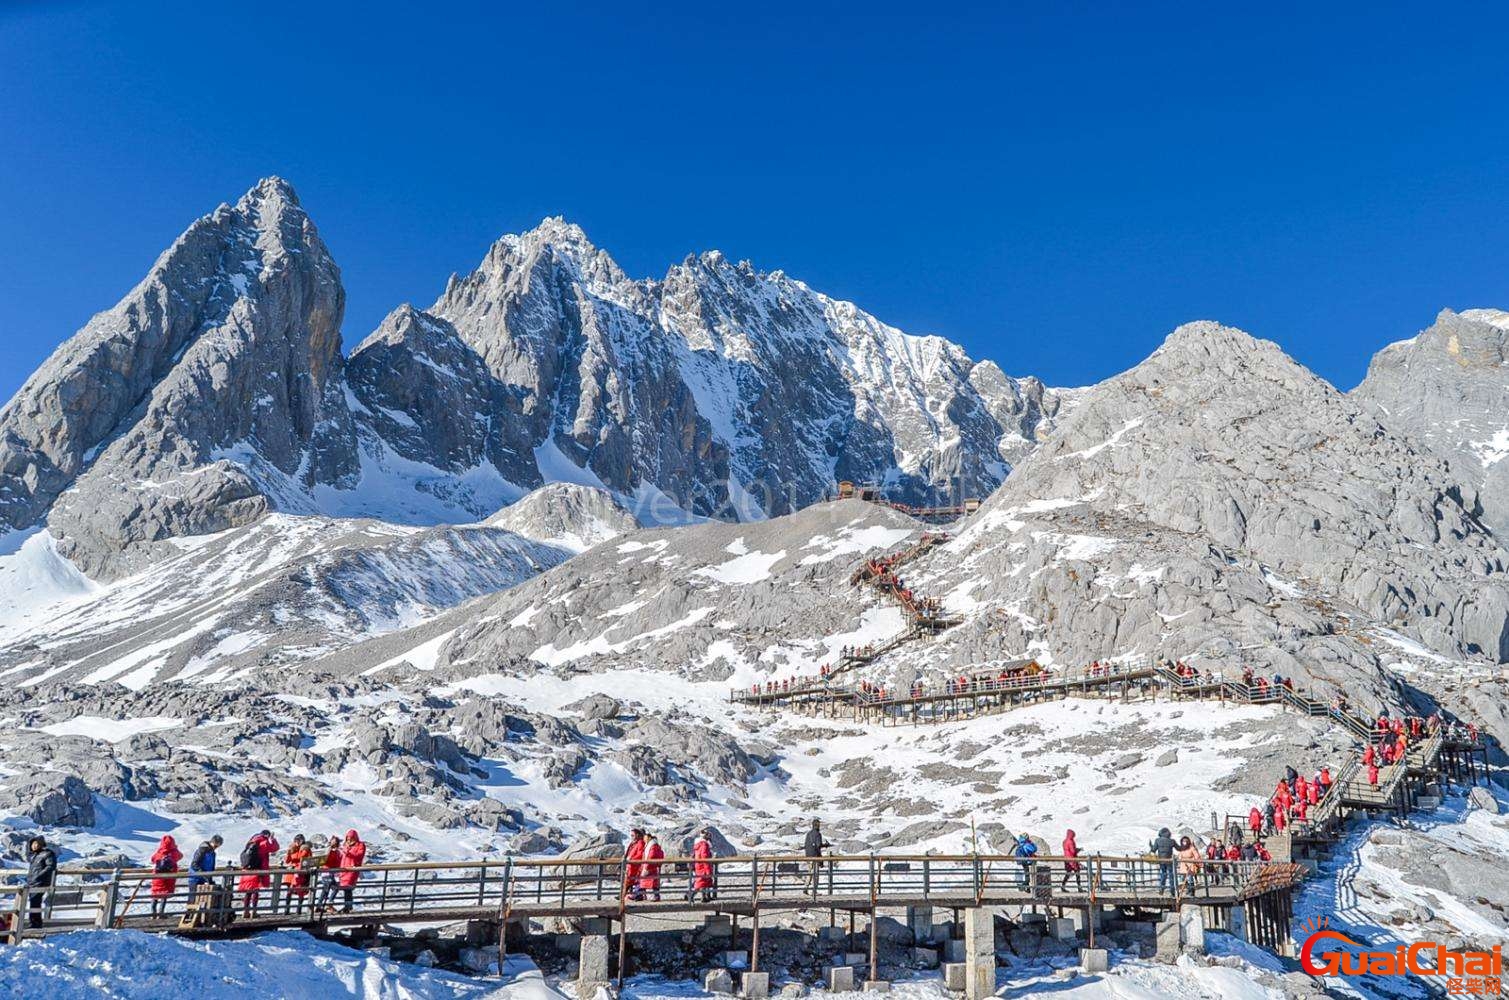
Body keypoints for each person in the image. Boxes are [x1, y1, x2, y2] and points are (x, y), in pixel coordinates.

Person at [236, 830, 280, 917]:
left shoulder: (252, 841)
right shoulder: (263, 842)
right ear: (266, 835)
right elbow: (274, 848)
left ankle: (245, 911)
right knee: (255, 890)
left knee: (248, 891)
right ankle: (254, 911)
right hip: (257, 869)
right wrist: (272, 839)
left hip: (247, 869)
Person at [25, 836, 57, 930]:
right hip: (33, 883)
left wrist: (38, 876)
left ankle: (35, 924)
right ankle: (34, 923)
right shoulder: (36, 855)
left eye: (37, 844)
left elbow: (50, 866)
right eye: (33, 844)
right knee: (34, 902)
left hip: (40, 883)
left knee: (35, 902)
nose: (34, 846)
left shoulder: (47, 854)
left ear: (42, 844)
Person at [149, 835, 183, 918]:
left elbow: (152, 859)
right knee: (164, 895)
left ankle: (153, 913)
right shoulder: (174, 853)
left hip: (157, 877)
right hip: (168, 878)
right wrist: (175, 848)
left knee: (155, 894)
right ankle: (161, 913)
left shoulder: (159, 853)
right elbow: (180, 856)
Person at [281, 834, 313, 914]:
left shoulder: (306, 849)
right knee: (289, 890)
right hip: (292, 872)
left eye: (299, 840)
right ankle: (286, 909)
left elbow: (304, 860)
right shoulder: (293, 849)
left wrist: (304, 850)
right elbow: (287, 861)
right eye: (296, 840)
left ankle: (299, 909)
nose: (297, 842)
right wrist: (288, 852)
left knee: (300, 891)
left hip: (300, 872)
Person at [336, 829, 366, 913]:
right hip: (344, 869)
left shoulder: (360, 845)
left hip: (352, 869)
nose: (349, 840)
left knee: (348, 887)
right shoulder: (345, 845)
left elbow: (359, 856)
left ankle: (348, 907)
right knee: (346, 889)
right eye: (348, 838)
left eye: (351, 838)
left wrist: (348, 854)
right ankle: (348, 906)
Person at [187, 835, 222, 899]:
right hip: (195, 878)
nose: (216, 848)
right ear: (212, 842)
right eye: (215, 846)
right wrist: (202, 873)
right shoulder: (202, 850)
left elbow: (211, 867)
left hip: (204, 878)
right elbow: (194, 864)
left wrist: (209, 879)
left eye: (217, 846)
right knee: (193, 899)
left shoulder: (212, 853)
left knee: (202, 899)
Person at [315, 835, 343, 913]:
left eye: (335, 841)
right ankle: (326, 905)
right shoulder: (328, 850)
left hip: (331, 872)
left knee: (327, 890)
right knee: (330, 889)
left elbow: (338, 862)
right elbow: (326, 860)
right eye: (333, 841)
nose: (334, 843)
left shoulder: (337, 851)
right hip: (327, 872)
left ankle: (320, 906)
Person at [803, 819, 830, 897]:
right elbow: (818, 845)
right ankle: (814, 890)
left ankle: (806, 887)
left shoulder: (808, 834)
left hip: (808, 856)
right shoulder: (818, 834)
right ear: (818, 825)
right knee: (816, 874)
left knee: (810, 872)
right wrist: (825, 845)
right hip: (815, 857)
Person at [691, 828, 716, 902]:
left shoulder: (699, 845)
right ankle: (691, 896)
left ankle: (704, 897)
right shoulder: (704, 845)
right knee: (701, 882)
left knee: (703, 882)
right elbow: (705, 857)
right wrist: (708, 869)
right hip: (704, 866)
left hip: (699, 865)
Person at [1150, 827, 1176, 895]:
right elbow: (1179, 848)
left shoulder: (1157, 840)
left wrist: (1150, 845)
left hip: (1161, 860)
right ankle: (1172, 890)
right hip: (1170, 860)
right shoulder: (1172, 841)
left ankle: (1161, 889)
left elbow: (1153, 850)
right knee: (1171, 875)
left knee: (1163, 874)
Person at [639, 833, 664, 902]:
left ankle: (644, 895)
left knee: (651, 882)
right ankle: (643, 895)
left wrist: (646, 867)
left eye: (645, 837)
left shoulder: (652, 845)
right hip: (651, 866)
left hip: (650, 866)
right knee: (647, 882)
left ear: (649, 837)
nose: (644, 839)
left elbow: (651, 856)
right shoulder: (651, 845)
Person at [623, 828, 647, 901]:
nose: (632, 837)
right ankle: (624, 895)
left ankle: (625, 895)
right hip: (632, 865)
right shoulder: (634, 843)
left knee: (633, 881)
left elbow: (640, 854)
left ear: (637, 835)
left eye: (633, 835)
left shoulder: (640, 843)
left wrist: (631, 859)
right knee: (630, 881)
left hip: (635, 865)